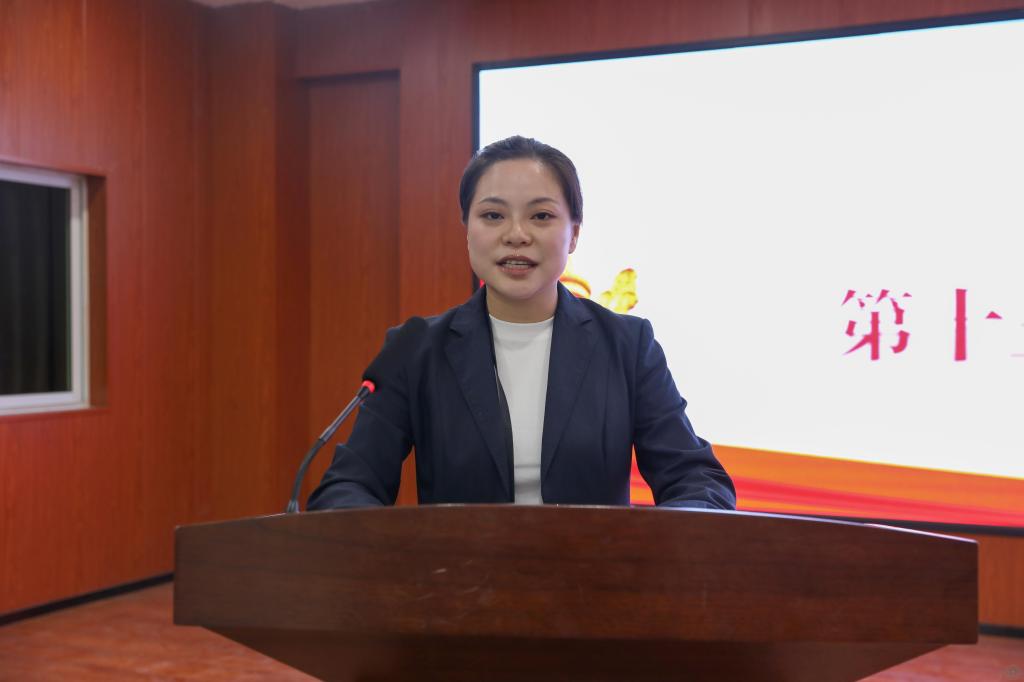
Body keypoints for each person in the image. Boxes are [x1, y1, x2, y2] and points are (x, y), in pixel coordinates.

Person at [307, 136, 735, 510]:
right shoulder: (416, 350)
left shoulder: (627, 345)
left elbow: (697, 481)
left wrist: (659, 553)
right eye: (493, 216)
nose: (516, 234)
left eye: (541, 216)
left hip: (595, 577)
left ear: (574, 233)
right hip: (456, 577)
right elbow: (347, 486)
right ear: (467, 230)